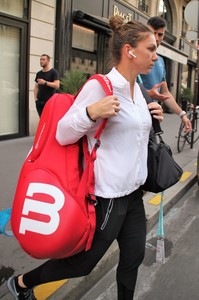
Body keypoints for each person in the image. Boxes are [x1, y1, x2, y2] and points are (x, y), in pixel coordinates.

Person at [7, 16, 163, 300]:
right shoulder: (100, 86)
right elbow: (63, 133)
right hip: (107, 197)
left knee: (133, 258)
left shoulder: (137, 91)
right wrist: (91, 113)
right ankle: (21, 283)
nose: (155, 55)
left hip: (134, 196)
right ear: (130, 50)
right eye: (151, 49)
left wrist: (151, 118)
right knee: (83, 264)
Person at [138, 16, 192, 132]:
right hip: (136, 120)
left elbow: (165, 92)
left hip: (153, 121)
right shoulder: (137, 56)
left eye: (160, 35)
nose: (156, 38)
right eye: (153, 33)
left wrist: (182, 114)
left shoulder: (160, 61)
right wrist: (149, 94)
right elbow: (125, 88)